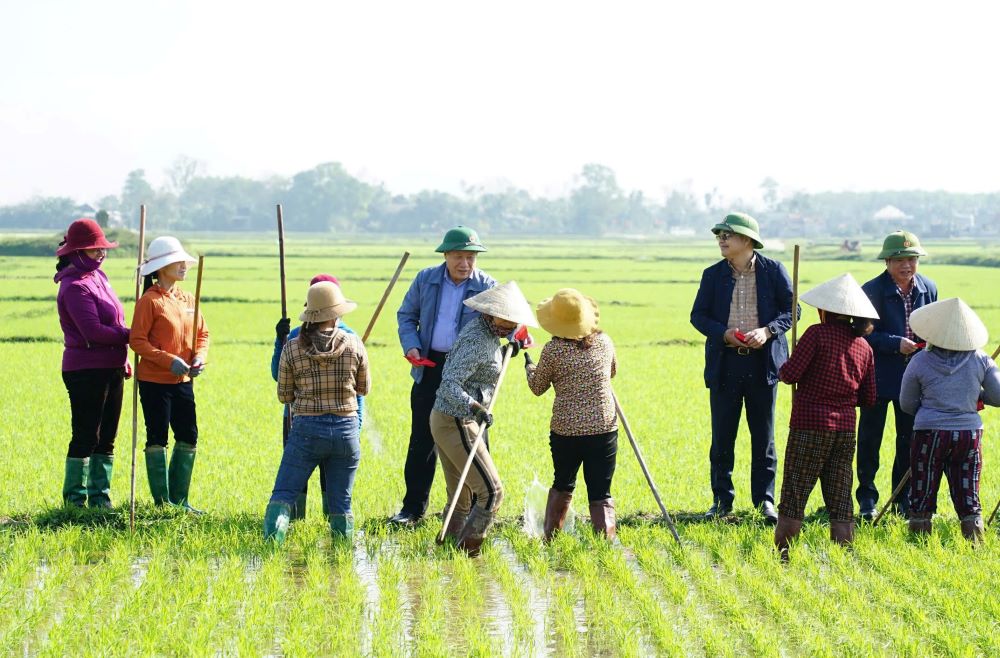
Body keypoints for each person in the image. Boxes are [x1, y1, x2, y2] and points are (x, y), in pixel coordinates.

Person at [690, 212, 794, 524]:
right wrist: (722, 333)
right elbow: (698, 316)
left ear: (747, 240)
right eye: (719, 235)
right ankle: (722, 500)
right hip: (726, 363)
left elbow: (792, 310)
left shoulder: (773, 270)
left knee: (764, 438)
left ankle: (765, 500)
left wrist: (768, 331)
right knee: (722, 437)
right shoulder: (712, 275)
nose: (721, 240)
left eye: (728, 235)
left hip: (763, 365)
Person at [391, 226, 496, 525]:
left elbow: (504, 322)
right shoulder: (426, 279)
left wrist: (516, 335)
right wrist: (411, 345)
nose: (465, 263)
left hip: (468, 373)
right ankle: (412, 509)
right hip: (430, 366)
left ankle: (476, 509)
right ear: (446, 255)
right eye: (459, 257)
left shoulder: (487, 286)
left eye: (471, 257)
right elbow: (406, 316)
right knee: (422, 439)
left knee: (474, 437)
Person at [774, 274, 878, 556]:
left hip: (809, 426)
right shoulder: (864, 347)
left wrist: (785, 365)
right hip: (845, 431)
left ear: (825, 310)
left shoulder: (816, 334)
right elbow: (869, 398)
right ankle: (843, 558)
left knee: (795, 493)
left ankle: (783, 556)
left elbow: (790, 374)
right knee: (841, 498)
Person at [431, 281, 536, 555]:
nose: (509, 325)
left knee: (462, 496)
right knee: (492, 492)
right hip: (455, 420)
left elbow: (483, 364)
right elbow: (449, 384)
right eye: (504, 319)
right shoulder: (477, 340)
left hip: (447, 419)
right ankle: (469, 553)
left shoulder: (488, 336)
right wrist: (475, 407)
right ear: (489, 314)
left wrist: (507, 350)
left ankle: (449, 551)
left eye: (513, 321)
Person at [264, 282, 370, 542]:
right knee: (341, 502)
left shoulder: (292, 347)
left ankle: (271, 546)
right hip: (346, 431)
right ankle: (341, 555)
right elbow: (363, 389)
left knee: (284, 493)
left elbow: (284, 396)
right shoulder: (355, 343)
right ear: (336, 313)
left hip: (306, 431)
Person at [899, 298, 1000, 542]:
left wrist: (930, 410)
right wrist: (977, 397)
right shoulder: (981, 359)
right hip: (968, 434)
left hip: (929, 433)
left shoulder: (920, 360)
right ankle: (974, 542)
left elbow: (906, 403)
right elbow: (998, 396)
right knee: (968, 489)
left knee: (922, 487)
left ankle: (920, 542)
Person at [856, 230, 938, 520]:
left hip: (915, 379)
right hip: (877, 376)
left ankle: (902, 500)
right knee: (870, 440)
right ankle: (867, 501)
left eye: (912, 259)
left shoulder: (929, 289)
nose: (907, 265)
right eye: (900, 259)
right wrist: (894, 343)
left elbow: (934, 329)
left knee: (909, 440)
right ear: (887, 261)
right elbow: (862, 334)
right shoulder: (871, 290)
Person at [525, 288, 619, 541]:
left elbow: (537, 387)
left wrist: (530, 368)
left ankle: (551, 538)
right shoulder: (604, 342)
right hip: (603, 427)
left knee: (563, 483)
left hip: (566, 431)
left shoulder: (553, 350)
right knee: (601, 491)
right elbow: (611, 372)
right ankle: (606, 542)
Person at [54, 218, 131, 507]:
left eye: (102, 248)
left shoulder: (99, 276)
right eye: (94, 249)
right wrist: (133, 335)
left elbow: (116, 320)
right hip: (86, 369)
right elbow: (93, 331)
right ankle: (75, 501)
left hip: (112, 366)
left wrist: (123, 355)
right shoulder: (74, 286)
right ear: (76, 251)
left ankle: (100, 499)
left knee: (107, 436)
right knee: (87, 434)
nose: (101, 253)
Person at [130, 236, 209, 512]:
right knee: (158, 436)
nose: (184, 266)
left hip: (183, 381)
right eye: (178, 262)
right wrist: (167, 360)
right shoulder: (149, 301)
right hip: (154, 382)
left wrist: (199, 357)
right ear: (162, 267)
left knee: (188, 434)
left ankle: (180, 501)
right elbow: (137, 341)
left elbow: (203, 334)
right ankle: (163, 504)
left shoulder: (188, 299)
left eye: (184, 262)